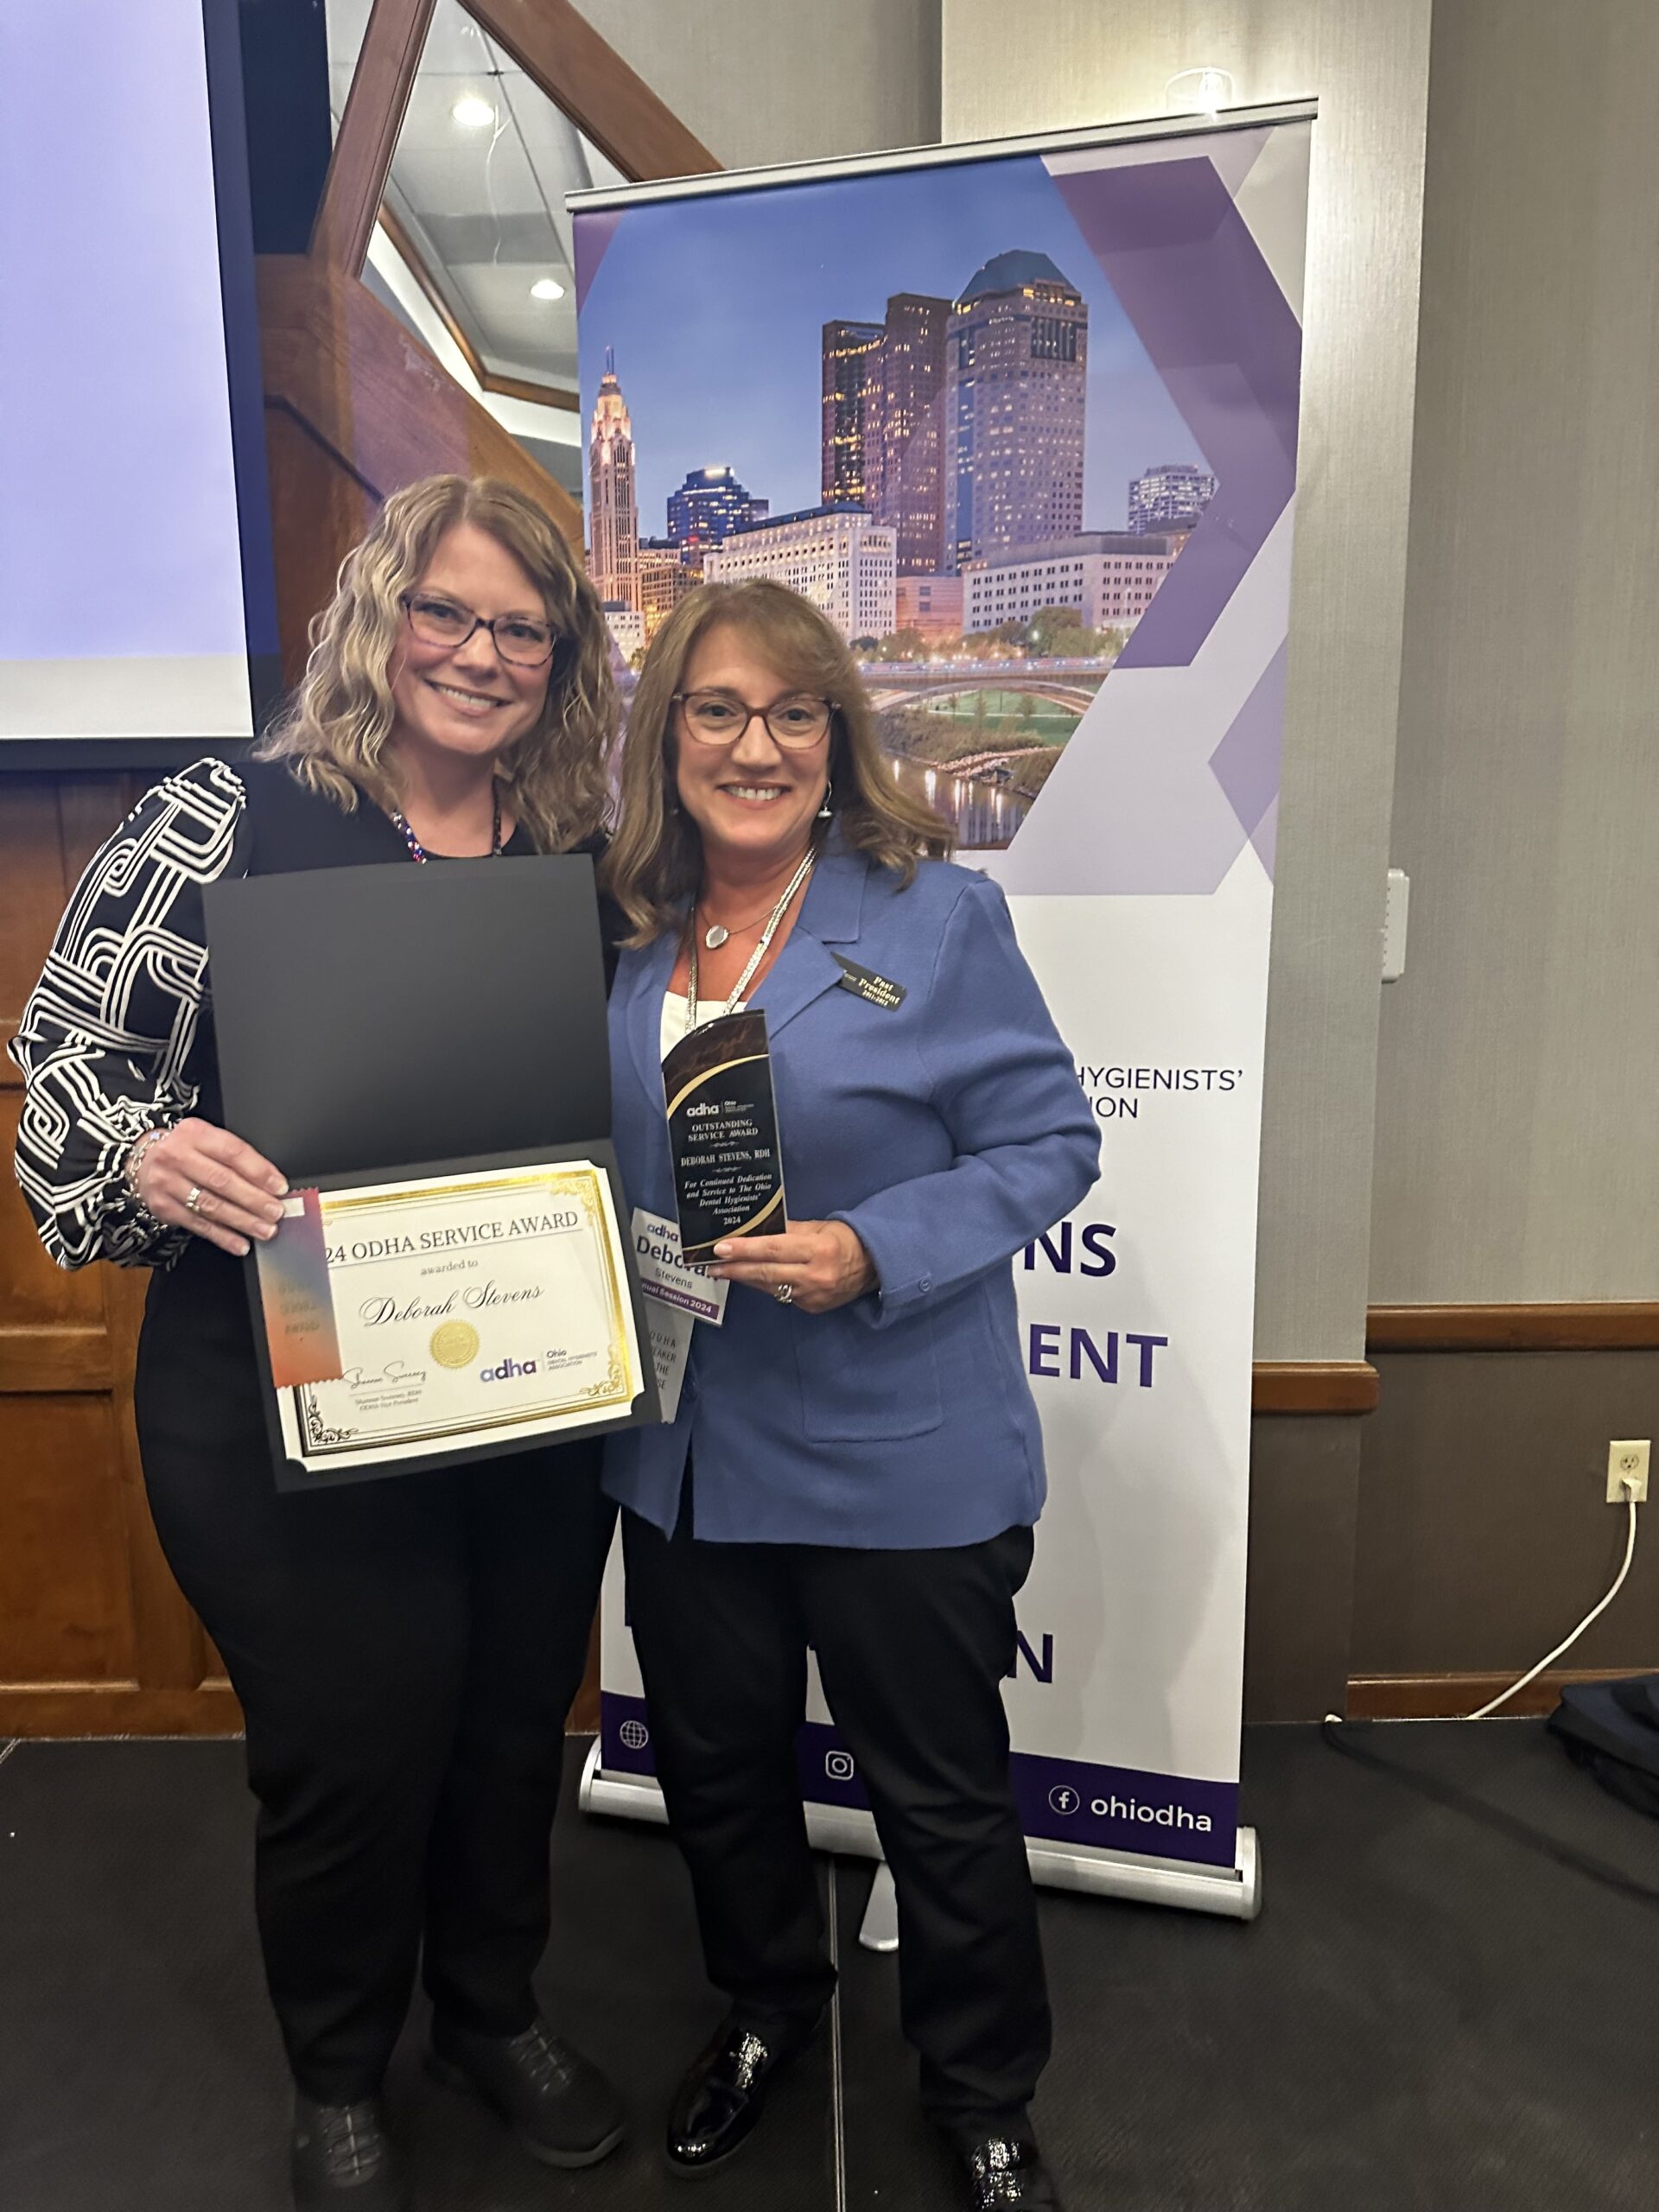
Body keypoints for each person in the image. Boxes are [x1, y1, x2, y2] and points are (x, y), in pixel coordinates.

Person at [10, 476, 626, 2212]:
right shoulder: (228, 814)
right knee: (354, 1741)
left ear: (560, 659)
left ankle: (491, 2012)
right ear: (379, 612)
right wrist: (142, 1148)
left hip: (521, 1385)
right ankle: (342, 2069)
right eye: (448, 610)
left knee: (511, 1717)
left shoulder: (582, 850)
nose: (482, 653)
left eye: (523, 626)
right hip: (276, 1393)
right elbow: (68, 1062)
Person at [601, 580, 1100, 2209]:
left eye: (792, 713)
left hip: (896, 1448)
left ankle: (982, 2090)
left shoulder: (933, 919)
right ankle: (764, 2014)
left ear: (836, 736)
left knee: (939, 1801)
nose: (755, 745)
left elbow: (1049, 1146)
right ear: (668, 729)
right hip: (684, 1453)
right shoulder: (618, 927)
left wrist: (875, 1248)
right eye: (719, 710)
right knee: (723, 1776)